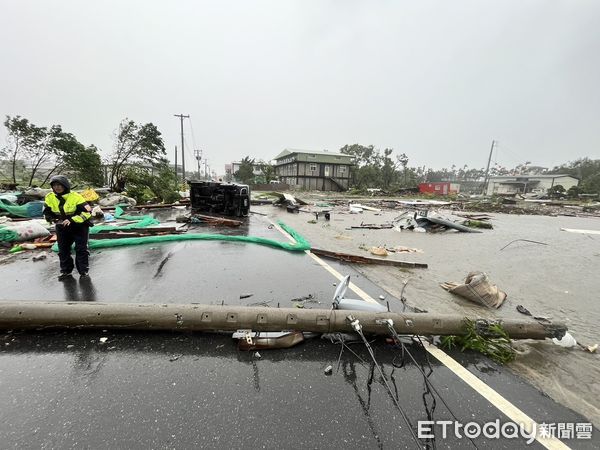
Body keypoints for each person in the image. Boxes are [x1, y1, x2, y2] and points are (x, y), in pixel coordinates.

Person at [43, 175, 93, 280]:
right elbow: (46, 211)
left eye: (60, 185)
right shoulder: (49, 197)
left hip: (79, 226)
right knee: (63, 250)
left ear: (65, 185)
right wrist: (50, 218)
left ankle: (83, 271)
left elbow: (88, 212)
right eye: (55, 185)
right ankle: (66, 271)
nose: (57, 187)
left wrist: (72, 220)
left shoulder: (76, 196)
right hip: (62, 227)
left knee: (81, 249)